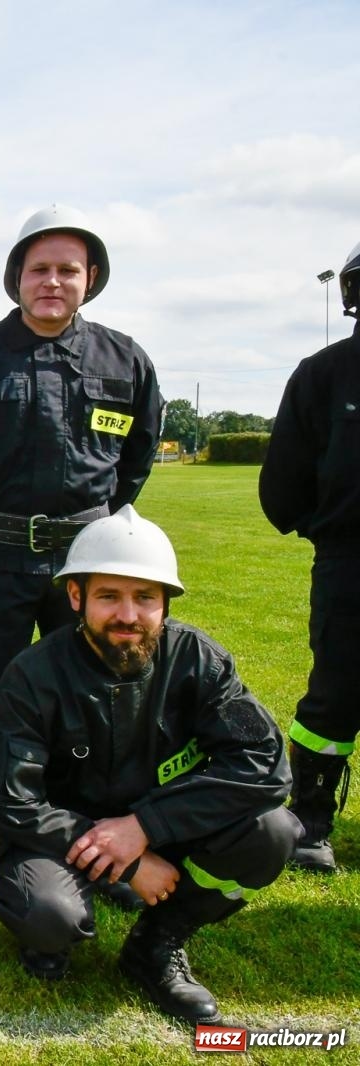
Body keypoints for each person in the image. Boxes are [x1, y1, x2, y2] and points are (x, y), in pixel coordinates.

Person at [0, 205, 163, 900]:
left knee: (94, 703)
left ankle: (89, 845)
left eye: (67, 270)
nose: (52, 281)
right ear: (16, 278)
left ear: (90, 280)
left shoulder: (126, 359)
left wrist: (98, 535)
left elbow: (135, 461)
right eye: (39, 269)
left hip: (86, 569)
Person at [0, 506, 298, 1024]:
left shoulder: (198, 660)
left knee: (274, 831)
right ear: (77, 597)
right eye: (109, 596)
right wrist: (123, 858)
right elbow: (12, 802)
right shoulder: (31, 676)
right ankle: (62, 925)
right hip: (66, 838)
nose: (128, 614)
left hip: (166, 830)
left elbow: (265, 762)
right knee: (48, 915)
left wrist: (146, 827)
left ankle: (157, 943)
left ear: (165, 604)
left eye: (145, 597)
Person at [260, 239, 360, 873]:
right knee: (337, 691)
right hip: (352, 562)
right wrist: (328, 530)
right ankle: (312, 822)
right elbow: (284, 482)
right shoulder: (325, 373)